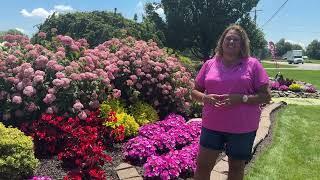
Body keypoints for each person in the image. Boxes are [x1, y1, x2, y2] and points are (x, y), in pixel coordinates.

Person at [192, 24, 271, 180]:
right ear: (222, 42)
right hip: (212, 126)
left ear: (242, 44)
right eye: (228, 38)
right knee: (202, 166)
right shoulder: (209, 64)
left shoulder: (253, 64)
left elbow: (266, 96)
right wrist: (205, 98)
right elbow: (194, 91)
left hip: (242, 128)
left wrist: (242, 98)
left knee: (235, 168)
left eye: (236, 39)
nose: (231, 42)